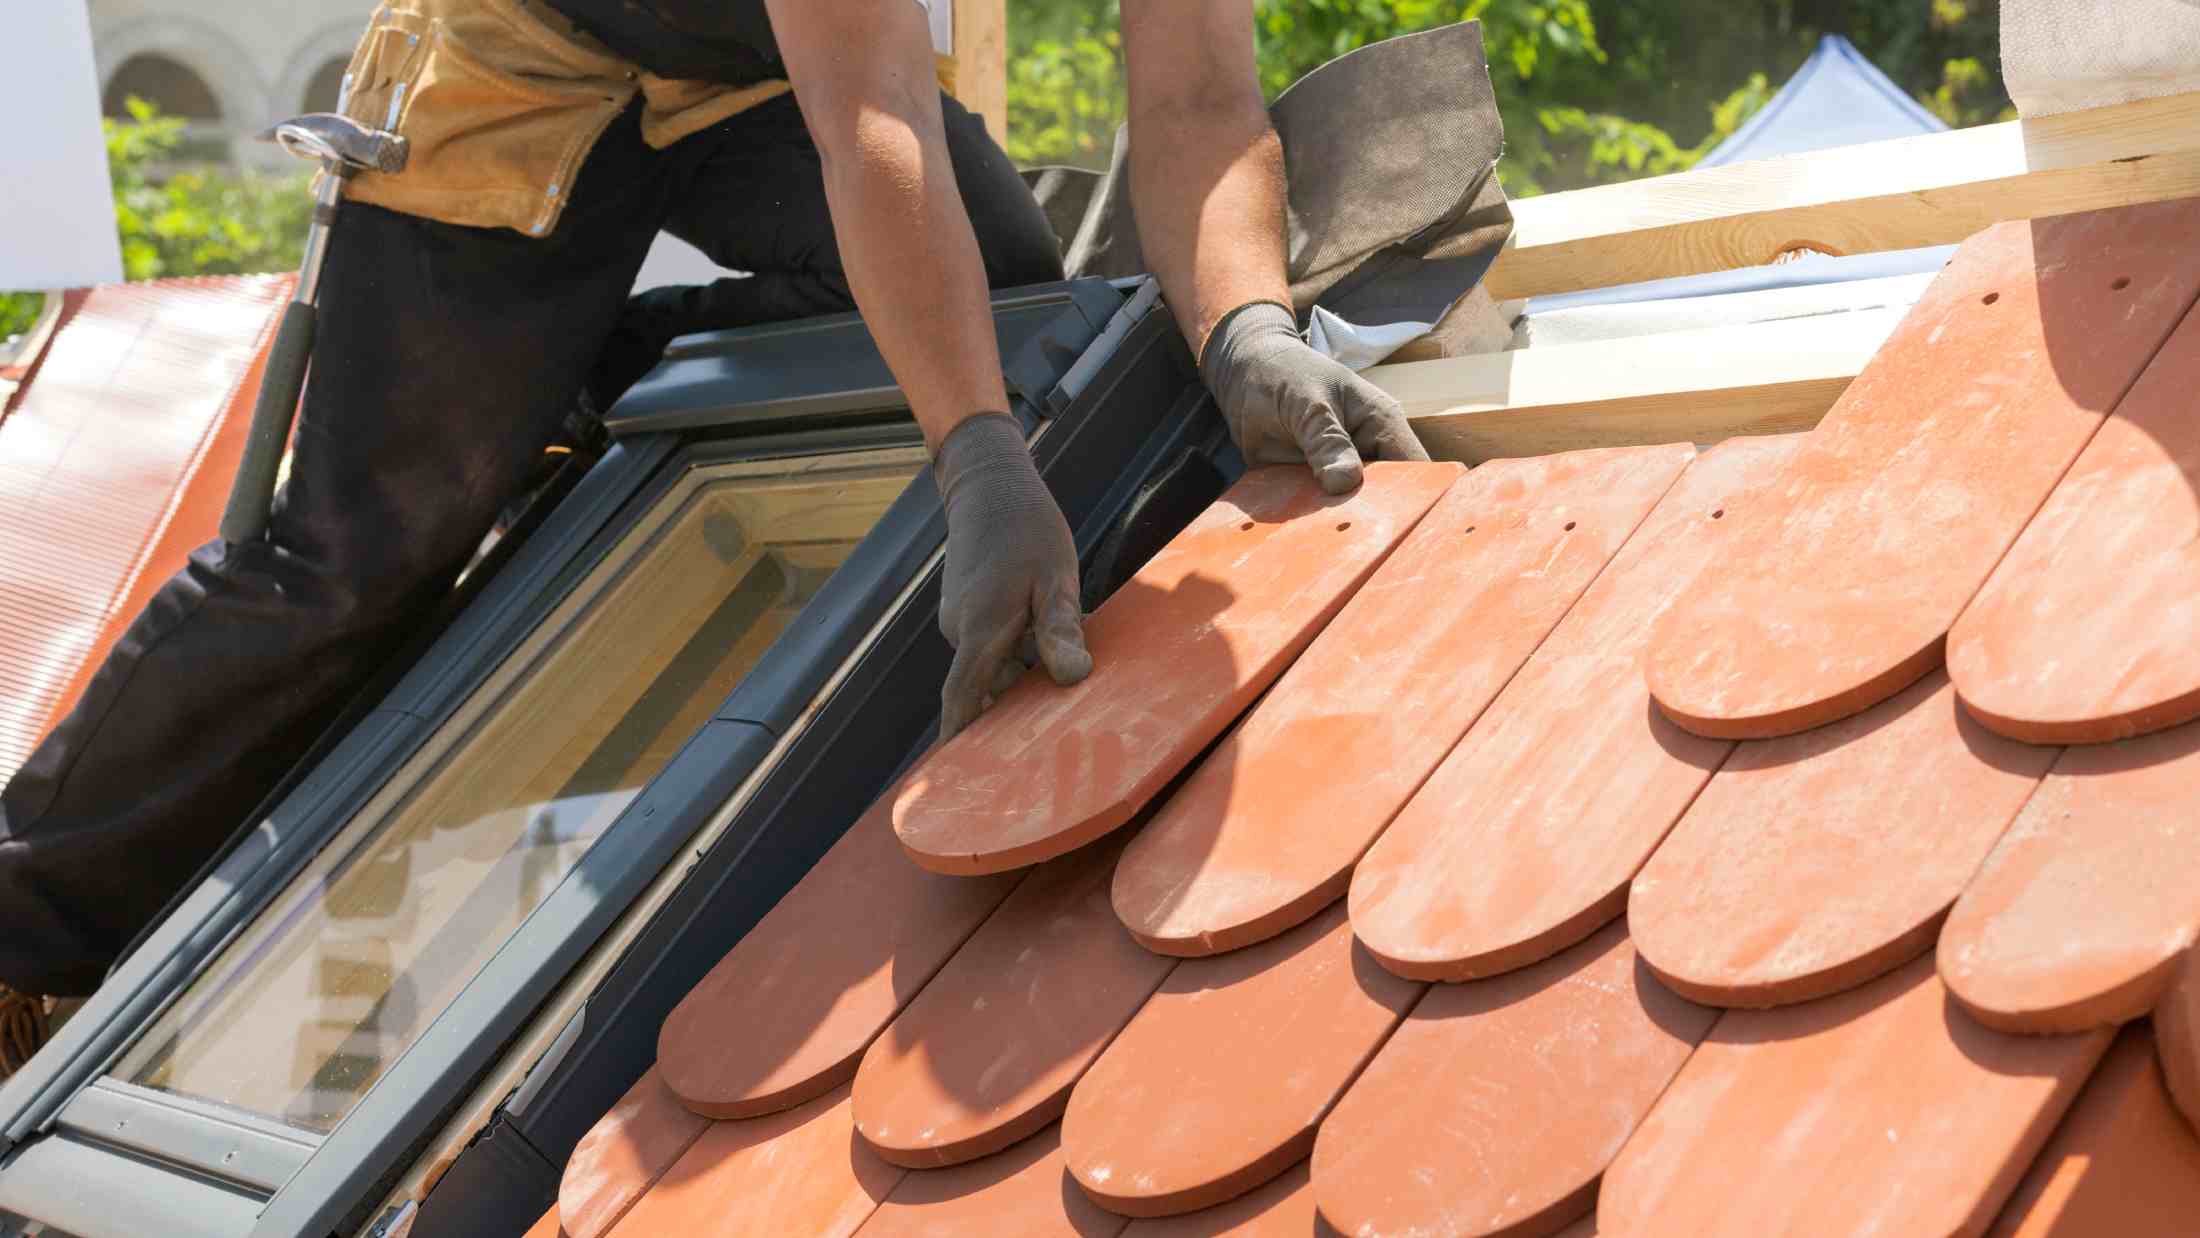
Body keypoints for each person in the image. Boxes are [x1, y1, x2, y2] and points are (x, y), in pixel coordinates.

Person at [0, 0, 1428, 1072]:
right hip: (528, 43)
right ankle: (21, 922)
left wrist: (1245, 322)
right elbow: (870, 114)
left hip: (748, 65)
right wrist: (977, 452)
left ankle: (564, 386)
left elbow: (1194, 97)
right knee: (355, 552)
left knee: (997, 295)